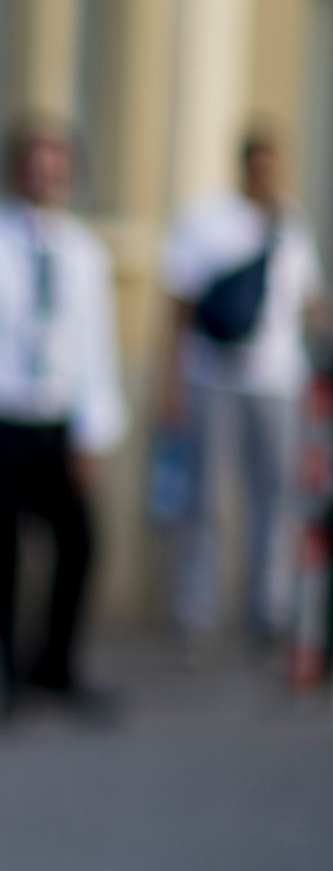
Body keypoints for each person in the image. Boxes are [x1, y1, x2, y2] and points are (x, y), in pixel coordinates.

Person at [0, 115, 126, 718]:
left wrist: (94, 428)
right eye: (35, 166)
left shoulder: (82, 251)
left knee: (80, 544)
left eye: (56, 168)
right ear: (14, 171)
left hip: (57, 422)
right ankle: (6, 680)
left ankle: (56, 666)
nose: (46, 178)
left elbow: (94, 344)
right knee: (3, 555)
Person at [160, 125, 326, 646]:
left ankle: (267, 606)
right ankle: (197, 608)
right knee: (204, 495)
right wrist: (170, 379)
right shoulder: (206, 221)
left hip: (277, 379)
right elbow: (179, 304)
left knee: (275, 495)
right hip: (212, 374)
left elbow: (308, 303)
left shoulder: (291, 224)